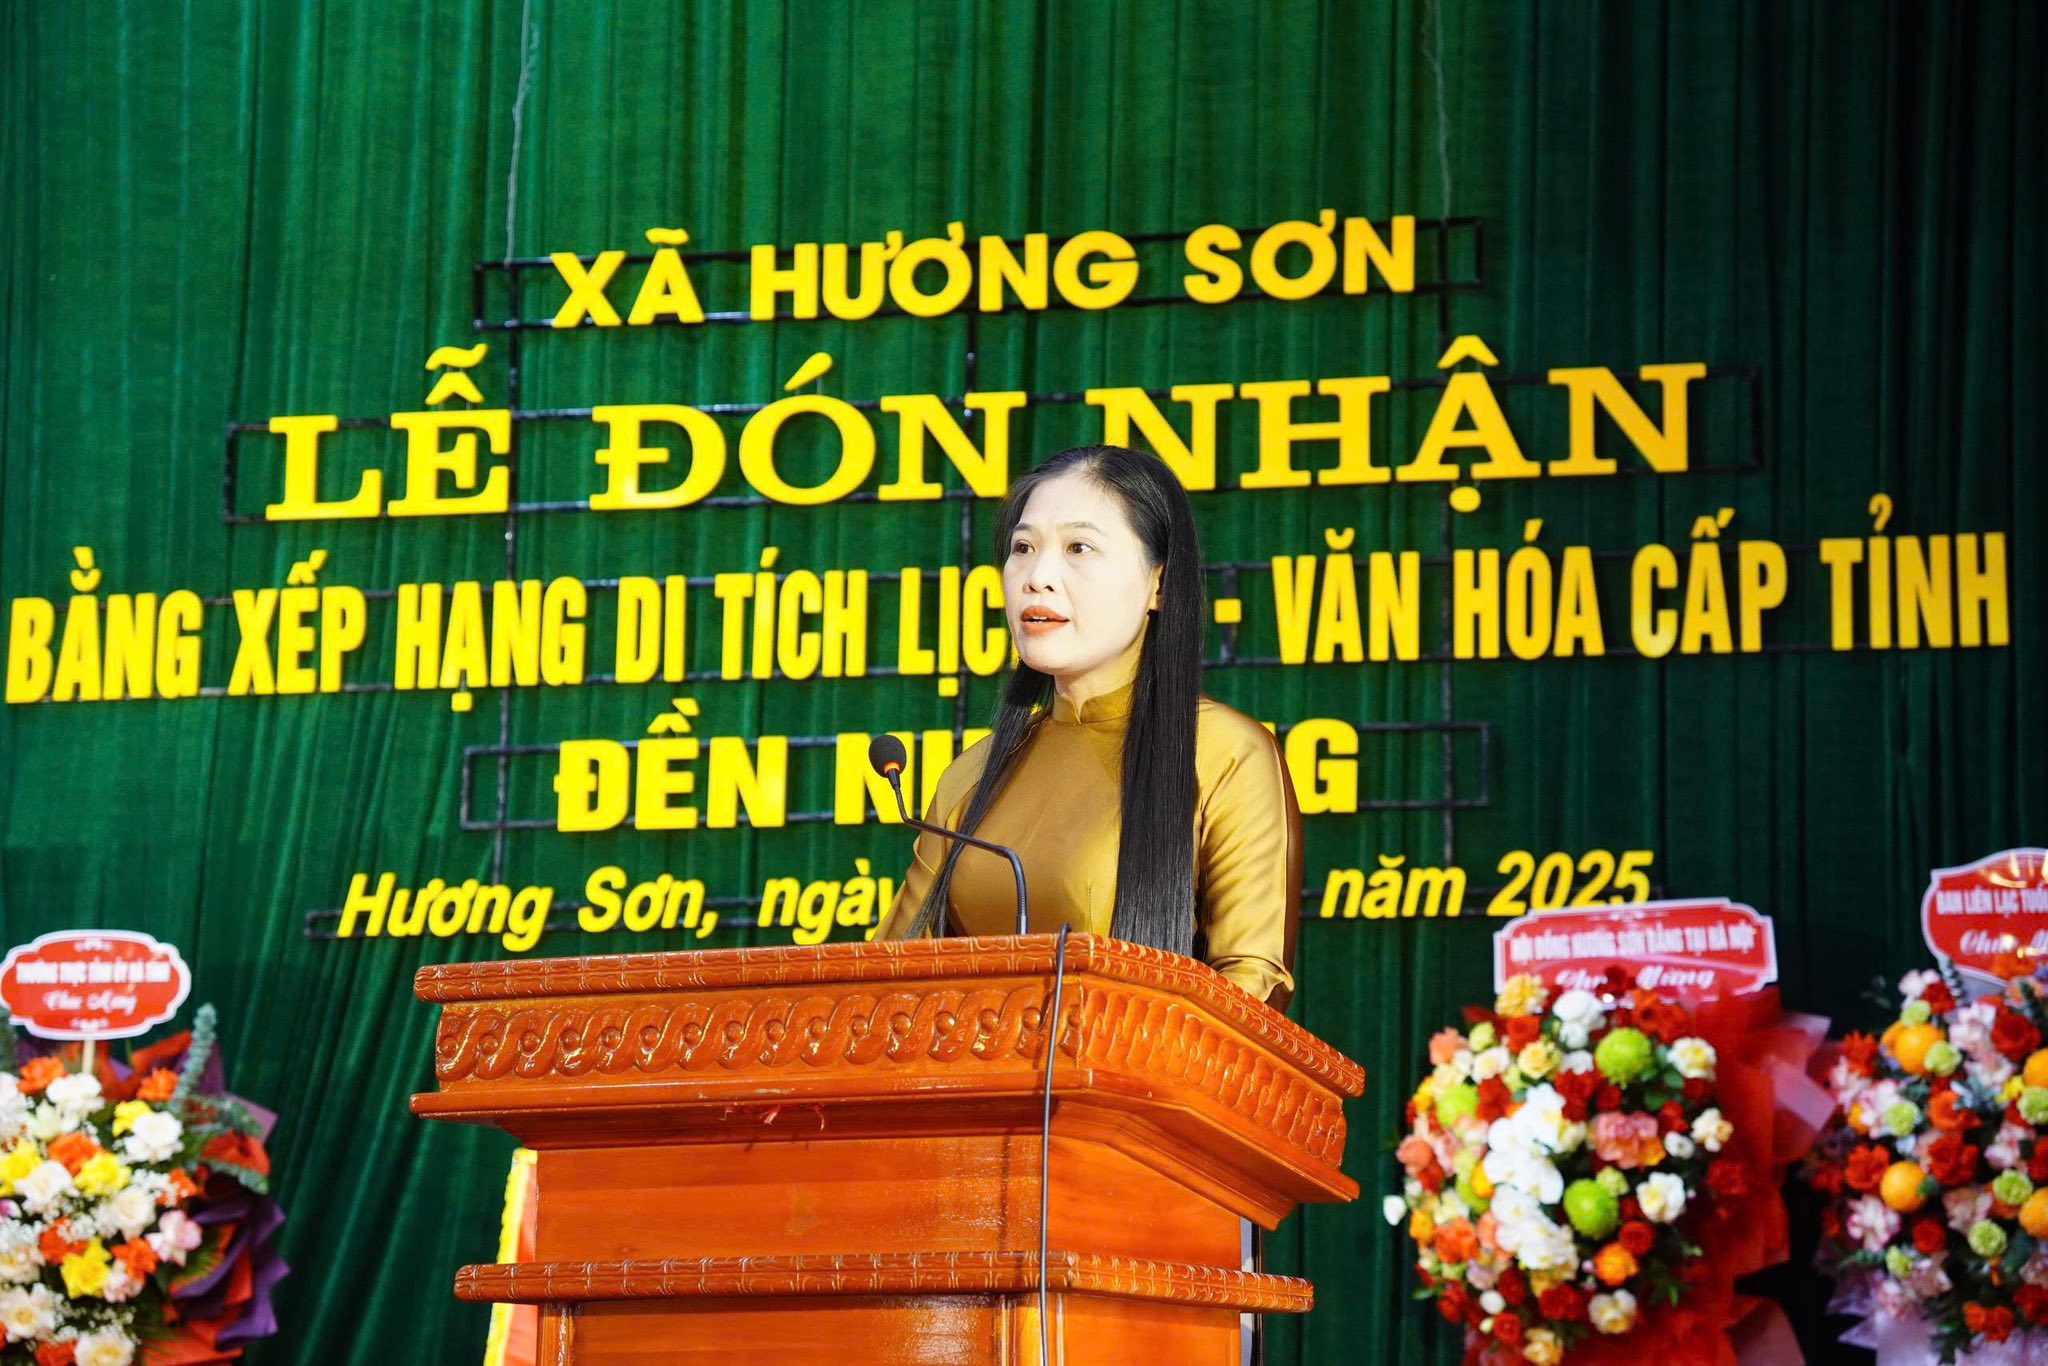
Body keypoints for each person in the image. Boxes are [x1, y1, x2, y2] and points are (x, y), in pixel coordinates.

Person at [875, 444, 1299, 1007]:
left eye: (1079, 547)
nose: (1038, 577)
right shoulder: (970, 775)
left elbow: (1252, 985)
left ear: (1159, 584)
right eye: (1023, 548)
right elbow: (885, 983)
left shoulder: (1225, 754)